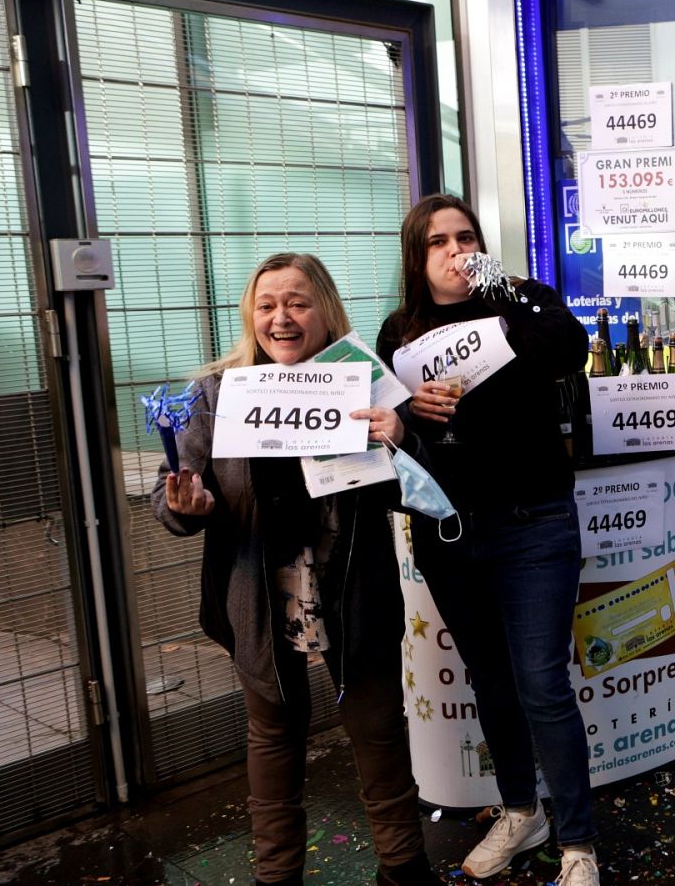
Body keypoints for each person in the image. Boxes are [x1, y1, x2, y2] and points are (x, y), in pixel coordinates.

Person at [152, 253, 439, 886]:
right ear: (250, 317)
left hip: (353, 587)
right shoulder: (217, 394)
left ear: (324, 309)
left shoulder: (363, 381)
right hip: (260, 592)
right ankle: (276, 876)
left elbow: (418, 487)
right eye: (267, 305)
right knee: (273, 735)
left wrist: (401, 437)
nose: (281, 318)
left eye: (297, 303)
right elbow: (172, 495)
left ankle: (404, 868)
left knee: (378, 729)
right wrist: (186, 505)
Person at [375, 195, 598, 886]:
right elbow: (393, 439)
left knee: (541, 683)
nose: (455, 250)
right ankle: (519, 810)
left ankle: (578, 844)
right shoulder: (400, 330)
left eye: (466, 237)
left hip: (534, 522)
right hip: (448, 530)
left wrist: (502, 286)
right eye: (438, 241)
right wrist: (410, 411)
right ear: (417, 256)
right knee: (492, 681)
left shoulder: (523, 301)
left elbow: (569, 352)